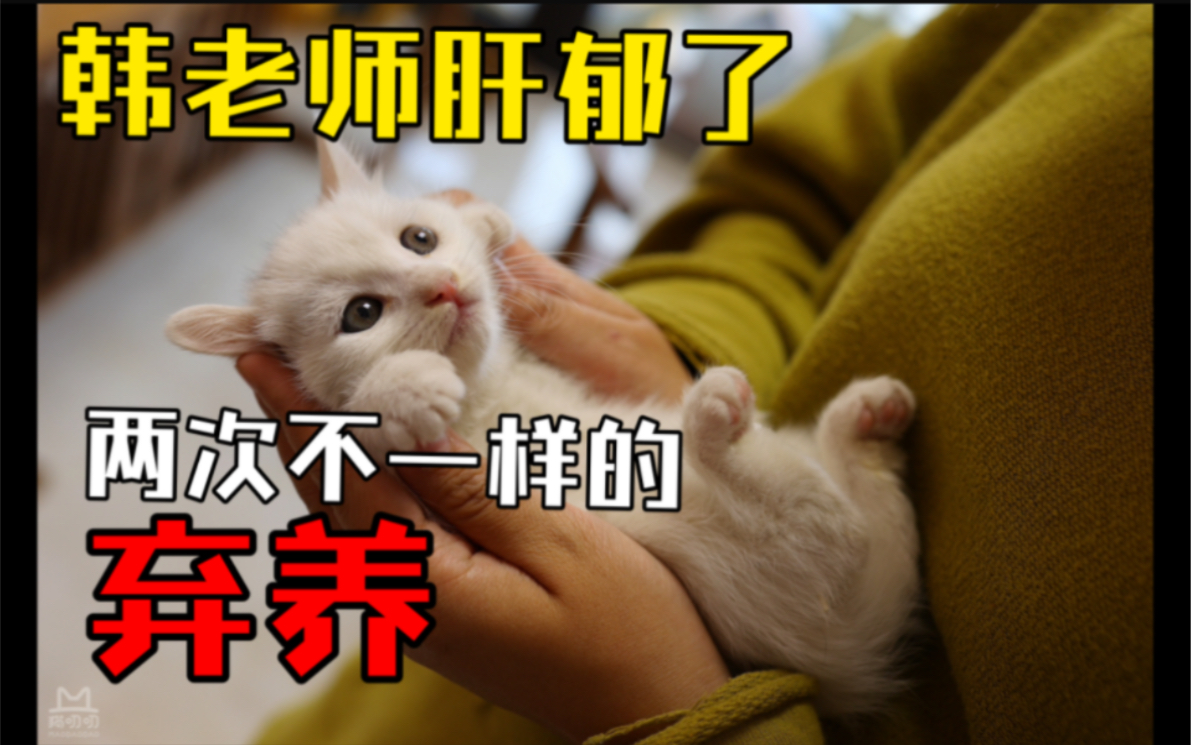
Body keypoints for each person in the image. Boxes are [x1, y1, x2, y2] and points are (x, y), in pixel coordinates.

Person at [248, 5, 1153, 744]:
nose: (438, 284)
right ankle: (844, 476)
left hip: (733, 639)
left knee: (773, 539)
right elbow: (789, 197)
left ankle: (827, 482)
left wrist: (691, 715)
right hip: (417, 705)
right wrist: (681, 341)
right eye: (361, 313)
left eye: (418, 240)